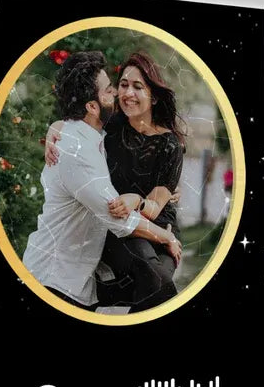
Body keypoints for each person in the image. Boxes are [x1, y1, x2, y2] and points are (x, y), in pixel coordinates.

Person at [22, 51, 181, 311]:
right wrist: (167, 237)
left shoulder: (99, 132)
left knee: (156, 281)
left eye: (136, 86)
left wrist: (59, 124)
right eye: (112, 89)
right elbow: (117, 217)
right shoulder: (83, 148)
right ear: (92, 106)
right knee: (153, 281)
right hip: (54, 280)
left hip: (74, 280)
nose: (118, 95)